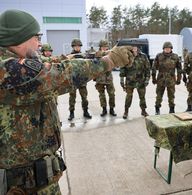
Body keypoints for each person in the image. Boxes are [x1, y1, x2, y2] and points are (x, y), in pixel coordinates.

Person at [0, 9, 133, 194]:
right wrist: (109, 61)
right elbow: (57, 74)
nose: (39, 43)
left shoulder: (16, 60)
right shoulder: (8, 69)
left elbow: (52, 61)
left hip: (34, 178)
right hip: (21, 186)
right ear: (19, 37)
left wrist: (89, 57)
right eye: (36, 37)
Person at [120, 46, 151, 119]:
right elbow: (122, 69)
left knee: (142, 97)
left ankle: (143, 110)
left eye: (135, 46)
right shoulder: (127, 56)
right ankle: (126, 111)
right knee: (129, 97)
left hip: (141, 81)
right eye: (132, 46)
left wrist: (147, 79)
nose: (134, 48)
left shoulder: (143, 56)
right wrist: (121, 80)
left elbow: (147, 69)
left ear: (138, 47)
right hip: (130, 81)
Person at [152, 41, 182, 115]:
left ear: (171, 48)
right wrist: (153, 78)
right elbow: (154, 67)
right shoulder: (159, 56)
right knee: (159, 95)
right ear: (163, 49)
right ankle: (157, 108)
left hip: (171, 79)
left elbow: (179, 68)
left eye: (169, 48)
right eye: (166, 48)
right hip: (161, 79)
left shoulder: (175, 56)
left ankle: (171, 109)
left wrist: (179, 78)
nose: (167, 49)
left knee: (171, 95)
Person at [68, 38, 92, 120]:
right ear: (73, 47)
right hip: (73, 80)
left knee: (84, 98)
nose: (77, 48)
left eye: (78, 46)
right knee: (72, 98)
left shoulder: (84, 55)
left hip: (82, 80)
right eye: (75, 46)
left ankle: (85, 111)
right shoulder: (69, 56)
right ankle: (71, 113)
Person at [95, 40, 117, 117]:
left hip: (109, 78)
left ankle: (112, 109)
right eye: (103, 47)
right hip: (100, 78)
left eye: (106, 47)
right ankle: (104, 109)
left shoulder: (111, 54)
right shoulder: (97, 53)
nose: (105, 48)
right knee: (102, 95)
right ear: (100, 47)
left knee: (112, 94)